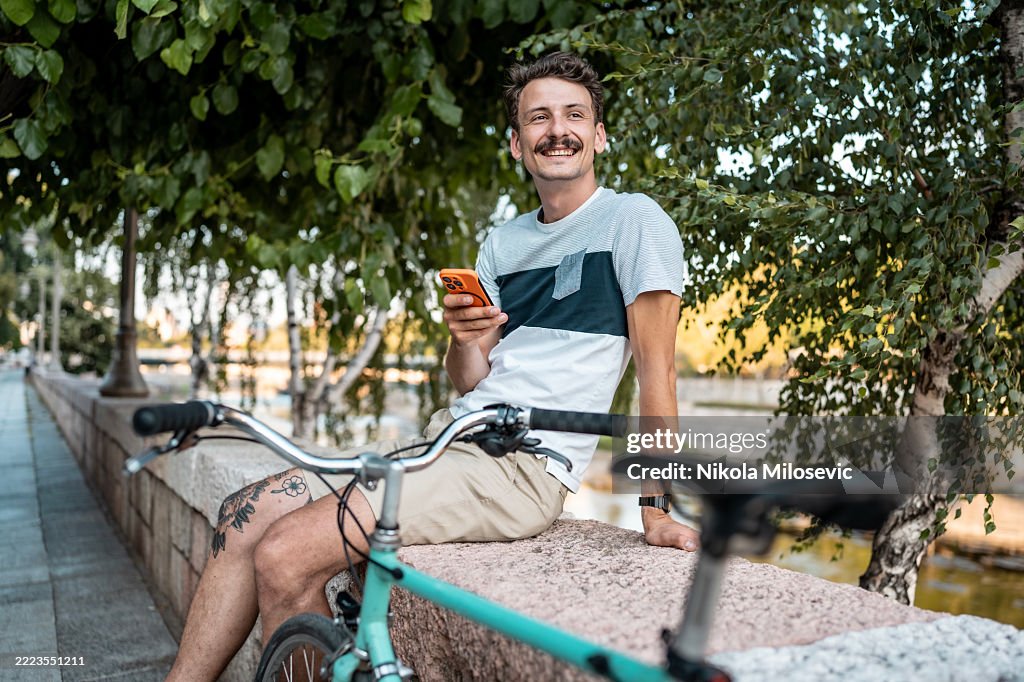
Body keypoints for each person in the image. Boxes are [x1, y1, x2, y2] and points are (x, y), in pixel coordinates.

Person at [165, 51, 698, 682]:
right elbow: (474, 380)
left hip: (520, 468)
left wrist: (656, 506)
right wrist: (463, 337)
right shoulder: (502, 243)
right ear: (515, 145)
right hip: (448, 437)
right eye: (539, 119)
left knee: (285, 556)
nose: (558, 130)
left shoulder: (635, 222)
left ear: (599, 135)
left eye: (574, 115)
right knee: (243, 513)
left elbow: (657, 374)